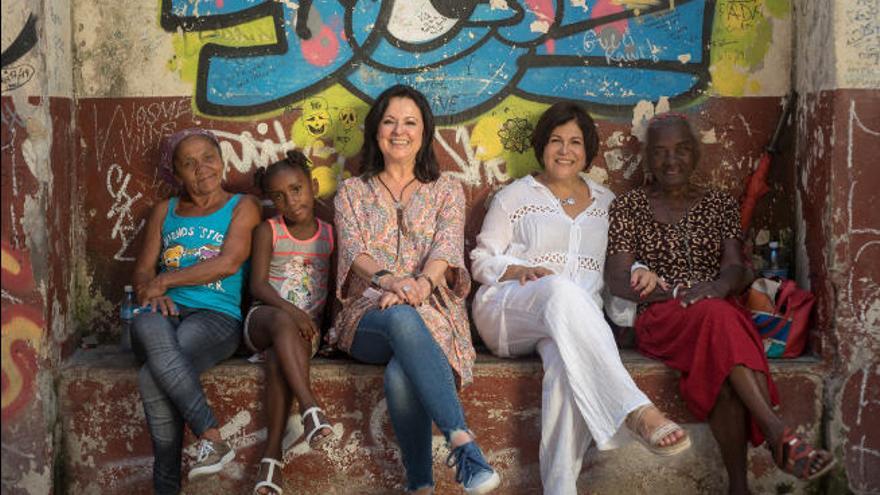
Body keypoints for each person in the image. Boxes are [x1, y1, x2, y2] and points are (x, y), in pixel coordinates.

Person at [605, 113, 836, 495]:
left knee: (726, 375)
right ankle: (778, 433)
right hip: (660, 316)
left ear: (696, 154)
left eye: (681, 149)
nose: (671, 160)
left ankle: (739, 488)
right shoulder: (630, 206)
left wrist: (715, 286)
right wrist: (675, 293)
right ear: (647, 157)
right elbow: (616, 279)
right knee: (720, 318)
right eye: (660, 152)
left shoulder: (719, 204)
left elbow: (736, 268)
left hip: (716, 312)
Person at [470, 102, 691, 494]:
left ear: (587, 151)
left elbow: (619, 261)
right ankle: (635, 409)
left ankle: (560, 489)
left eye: (575, 142)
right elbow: (480, 260)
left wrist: (639, 269)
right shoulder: (514, 196)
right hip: (508, 310)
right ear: (542, 146)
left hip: (571, 325)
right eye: (556, 140)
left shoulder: (607, 203)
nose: (565, 150)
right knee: (558, 288)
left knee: (565, 364)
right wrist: (516, 270)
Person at [334, 84, 500, 495]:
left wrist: (421, 285)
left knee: (401, 371)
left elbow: (446, 248)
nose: (399, 131)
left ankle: (420, 486)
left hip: (434, 309)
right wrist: (391, 282)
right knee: (400, 317)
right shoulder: (352, 192)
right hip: (369, 313)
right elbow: (354, 251)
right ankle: (462, 441)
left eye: (410, 122)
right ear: (375, 130)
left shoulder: (446, 190)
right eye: (389, 122)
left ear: (424, 132)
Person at [131, 128, 261, 494]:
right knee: (147, 324)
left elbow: (228, 263)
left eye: (208, 158)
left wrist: (164, 281)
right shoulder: (165, 211)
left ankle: (167, 485)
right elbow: (142, 272)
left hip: (215, 316)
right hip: (163, 310)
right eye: (189, 164)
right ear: (176, 174)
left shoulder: (243, 205)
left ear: (221, 161)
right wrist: (148, 288)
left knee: (152, 375)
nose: (201, 168)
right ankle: (211, 435)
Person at [246, 150, 335, 495]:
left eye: (296, 189)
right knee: (284, 322)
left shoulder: (330, 235)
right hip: (263, 320)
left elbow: (334, 290)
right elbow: (257, 286)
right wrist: (294, 312)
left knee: (277, 359)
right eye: (279, 196)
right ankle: (310, 406)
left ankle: (271, 462)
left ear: (313, 187)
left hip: (303, 334)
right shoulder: (268, 230)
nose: (291, 201)